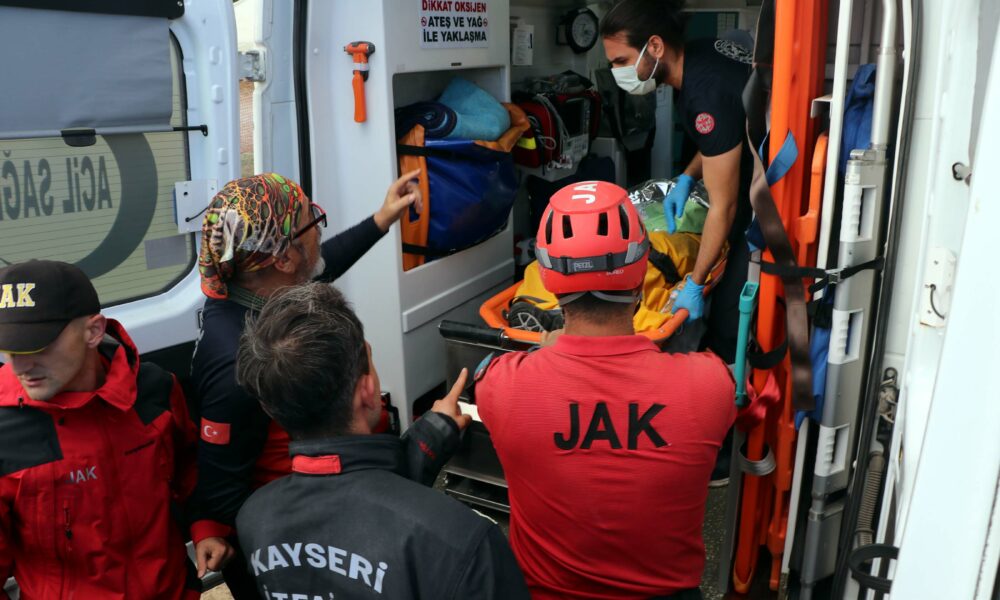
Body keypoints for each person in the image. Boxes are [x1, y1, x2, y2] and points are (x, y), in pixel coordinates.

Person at [475, 181, 736, 599]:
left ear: (546, 279)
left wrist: (546, 347)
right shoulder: (710, 385)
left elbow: (492, 376)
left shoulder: (500, 386)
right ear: (642, 269)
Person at [189, 171, 423, 596]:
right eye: (311, 220)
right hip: (288, 543)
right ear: (282, 258)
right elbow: (221, 488)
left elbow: (317, 268)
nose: (318, 227)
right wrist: (303, 549)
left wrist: (382, 218)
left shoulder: (252, 285)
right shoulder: (235, 363)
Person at [233, 282, 529, 599]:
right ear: (367, 389)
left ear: (271, 408)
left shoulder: (254, 518)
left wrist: (432, 434)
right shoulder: (464, 540)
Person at [0, 260, 204, 599]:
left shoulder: (154, 389)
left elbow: (190, 467)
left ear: (94, 331)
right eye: (10, 348)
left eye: (37, 345)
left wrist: (205, 524)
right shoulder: (5, 431)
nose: (20, 365)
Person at [601, 0, 754, 364]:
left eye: (621, 61)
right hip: (756, 172)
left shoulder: (703, 93)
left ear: (655, 46)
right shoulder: (703, 53)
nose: (617, 72)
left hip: (771, 198)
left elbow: (724, 206)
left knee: (728, 318)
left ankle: (731, 379)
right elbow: (725, 134)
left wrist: (695, 284)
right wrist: (687, 176)